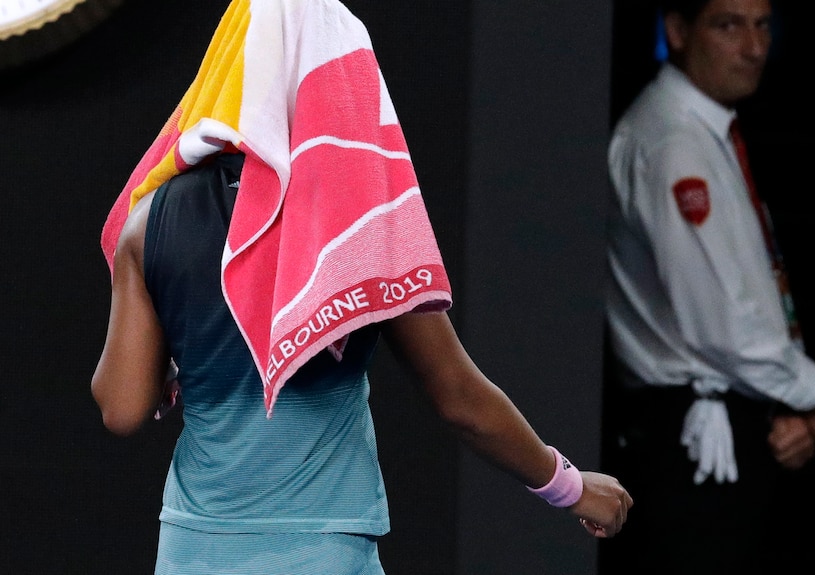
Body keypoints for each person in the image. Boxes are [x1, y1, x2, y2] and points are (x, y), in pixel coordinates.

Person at [91, 1, 632, 573]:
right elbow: (459, 398)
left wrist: (179, 350)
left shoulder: (148, 222)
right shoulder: (359, 223)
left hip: (194, 548)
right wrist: (568, 485)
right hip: (322, 552)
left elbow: (123, 408)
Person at [599, 0, 815, 573]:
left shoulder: (703, 131)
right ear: (677, 30)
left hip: (719, 426)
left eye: (763, 25)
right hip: (696, 447)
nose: (755, 48)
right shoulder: (673, 143)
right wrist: (814, 395)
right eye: (730, 25)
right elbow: (722, 324)